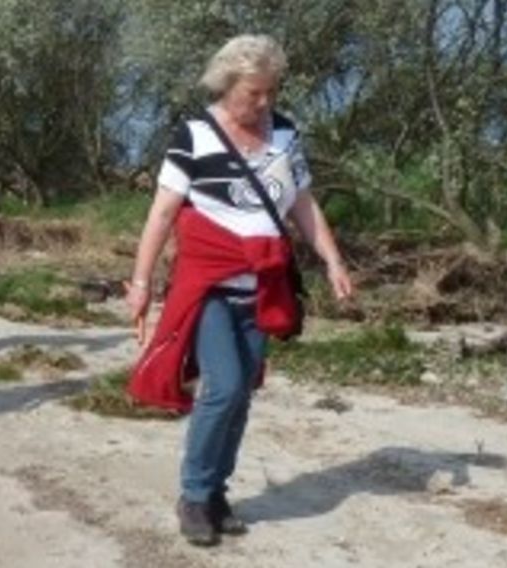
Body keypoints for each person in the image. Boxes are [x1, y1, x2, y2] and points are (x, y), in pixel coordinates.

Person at [122, 35, 354, 547]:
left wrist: (333, 260)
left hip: (263, 287)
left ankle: (217, 493)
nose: (265, 102)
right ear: (227, 86)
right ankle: (194, 495)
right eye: (255, 92)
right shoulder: (195, 136)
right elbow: (162, 214)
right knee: (224, 386)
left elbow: (303, 206)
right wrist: (141, 284)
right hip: (207, 289)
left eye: (271, 91)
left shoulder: (286, 135)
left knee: (243, 393)